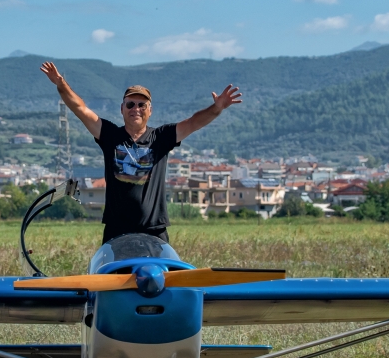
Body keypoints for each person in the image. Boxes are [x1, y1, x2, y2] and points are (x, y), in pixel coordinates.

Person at [39, 61, 242, 243]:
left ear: (150, 110)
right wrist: (61, 84)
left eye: (141, 104)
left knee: (161, 281)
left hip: (154, 230)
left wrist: (217, 109)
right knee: (112, 283)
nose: (136, 108)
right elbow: (80, 109)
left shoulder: (161, 138)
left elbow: (193, 122)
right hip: (116, 230)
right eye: (130, 104)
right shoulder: (109, 135)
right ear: (122, 109)